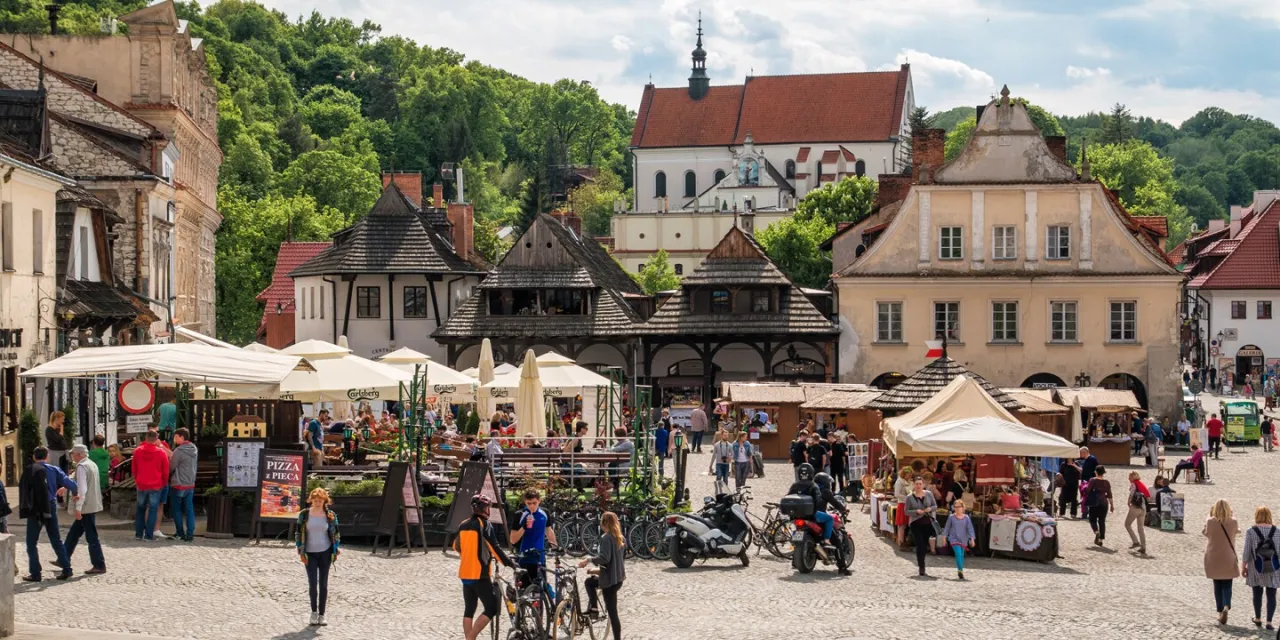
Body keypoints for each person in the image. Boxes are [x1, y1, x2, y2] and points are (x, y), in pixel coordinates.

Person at [454, 495, 512, 640]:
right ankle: (470, 638)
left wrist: (469, 553)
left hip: (465, 573)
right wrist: (509, 563)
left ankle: (469, 637)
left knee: (469, 611)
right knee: (492, 608)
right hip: (480, 573)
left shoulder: (463, 524)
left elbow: (456, 546)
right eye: (488, 507)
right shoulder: (484, 524)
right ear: (484, 509)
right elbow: (494, 547)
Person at [19, 447, 72, 581]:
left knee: (31, 542)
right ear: (47, 456)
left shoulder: (31, 470)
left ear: (34, 457)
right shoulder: (54, 470)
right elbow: (69, 483)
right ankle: (67, 568)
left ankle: (35, 573)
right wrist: (73, 492)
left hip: (36, 508)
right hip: (50, 505)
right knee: (56, 538)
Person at [296, 487, 340, 626]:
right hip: (309, 553)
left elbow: (336, 533)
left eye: (320, 500)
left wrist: (336, 548)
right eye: (315, 500)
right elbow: (298, 533)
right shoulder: (304, 515)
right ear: (311, 500)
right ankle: (313, 612)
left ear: (324, 501)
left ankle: (322, 614)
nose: (317, 502)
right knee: (312, 584)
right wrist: (300, 551)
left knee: (324, 584)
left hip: (325, 552)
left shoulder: (330, 515)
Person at [578, 511, 626, 639]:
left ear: (604, 524)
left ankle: (594, 608)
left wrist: (588, 560)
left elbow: (605, 558)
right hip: (618, 579)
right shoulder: (620, 538)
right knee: (590, 581)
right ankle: (593, 608)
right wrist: (595, 571)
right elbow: (615, 563)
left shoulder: (606, 538)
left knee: (613, 614)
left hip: (609, 581)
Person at [62, 444, 105, 575]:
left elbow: (82, 489)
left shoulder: (82, 466)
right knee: (74, 533)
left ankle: (99, 564)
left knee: (91, 537)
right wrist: (66, 487)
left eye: (73, 453)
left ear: (79, 454)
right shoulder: (91, 464)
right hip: (92, 504)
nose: (72, 456)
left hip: (86, 506)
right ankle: (63, 558)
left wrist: (78, 508)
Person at [510, 489, 556, 595]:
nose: (532, 506)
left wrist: (555, 547)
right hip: (523, 558)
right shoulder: (519, 515)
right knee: (522, 593)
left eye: (534, 503)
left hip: (539, 558)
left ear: (539, 501)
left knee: (540, 592)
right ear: (525, 502)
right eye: (529, 503)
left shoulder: (544, 513)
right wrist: (524, 527)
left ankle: (540, 610)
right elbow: (513, 540)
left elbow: (549, 531)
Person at [1243, 506, 1280, 629]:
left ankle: (1258, 618)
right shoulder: (1278, 531)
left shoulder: (1251, 531)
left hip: (1256, 566)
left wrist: (1244, 567)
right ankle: (1269, 622)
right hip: (1273, 566)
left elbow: (1246, 552)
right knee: (1271, 594)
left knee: (1257, 593)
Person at [1204, 499, 1240, 625]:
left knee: (1217, 584)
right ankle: (1226, 605)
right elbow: (1236, 531)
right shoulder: (1233, 521)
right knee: (1227, 584)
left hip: (1214, 556)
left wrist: (1209, 515)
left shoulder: (1210, 521)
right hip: (1228, 555)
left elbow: (1206, 533)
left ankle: (1220, 611)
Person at [132, 430, 170, 541]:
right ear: (156, 438)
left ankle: (139, 534)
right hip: (156, 485)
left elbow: (134, 468)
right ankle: (149, 535)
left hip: (141, 484)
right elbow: (166, 471)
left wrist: (137, 480)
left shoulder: (137, 451)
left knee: (140, 509)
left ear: (146, 437)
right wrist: (163, 483)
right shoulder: (161, 453)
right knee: (153, 509)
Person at [905, 476, 938, 577]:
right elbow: (906, 511)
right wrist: (916, 511)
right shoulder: (909, 497)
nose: (918, 486)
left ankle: (922, 562)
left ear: (923, 484)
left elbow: (935, 505)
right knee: (920, 545)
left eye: (920, 484)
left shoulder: (928, 494)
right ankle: (921, 567)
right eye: (917, 484)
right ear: (914, 485)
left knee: (924, 545)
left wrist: (929, 509)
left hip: (927, 523)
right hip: (916, 523)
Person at [169, 428, 197, 542]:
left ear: (181, 437)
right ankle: (190, 534)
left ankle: (180, 533)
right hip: (190, 483)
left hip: (179, 484)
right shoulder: (194, 448)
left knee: (177, 510)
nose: (174, 439)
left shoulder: (179, 451)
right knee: (189, 509)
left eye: (176, 437)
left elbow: (171, 467)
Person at [942, 500, 976, 580]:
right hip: (954, 538)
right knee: (957, 553)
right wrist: (944, 538)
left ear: (963, 508)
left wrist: (972, 539)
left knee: (961, 554)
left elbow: (970, 529)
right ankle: (960, 570)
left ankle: (960, 569)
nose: (957, 509)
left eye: (959, 507)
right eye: (955, 507)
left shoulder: (967, 518)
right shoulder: (951, 517)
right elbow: (947, 528)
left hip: (963, 539)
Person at [1084, 465, 1114, 547]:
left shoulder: (1093, 480)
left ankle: (1096, 532)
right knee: (1102, 521)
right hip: (1104, 503)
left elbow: (1087, 491)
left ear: (1096, 472)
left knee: (1092, 519)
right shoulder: (1107, 482)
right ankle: (1100, 540)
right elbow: (1110, 495)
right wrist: (1112, 505)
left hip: (1094, 503)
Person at [1124, 471, 1150, 555]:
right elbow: (1147, 496)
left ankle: (1135, 541)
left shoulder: (1134, 484)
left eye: (1130, 477)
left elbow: (1131, 494)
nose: (1128, 478)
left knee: (1127, 524)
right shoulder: (1141, 484)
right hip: (1143, 508)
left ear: (1133, 477)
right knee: (1140, 528)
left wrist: (1128, 502)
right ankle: (1143, 547)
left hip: (1136, 507)